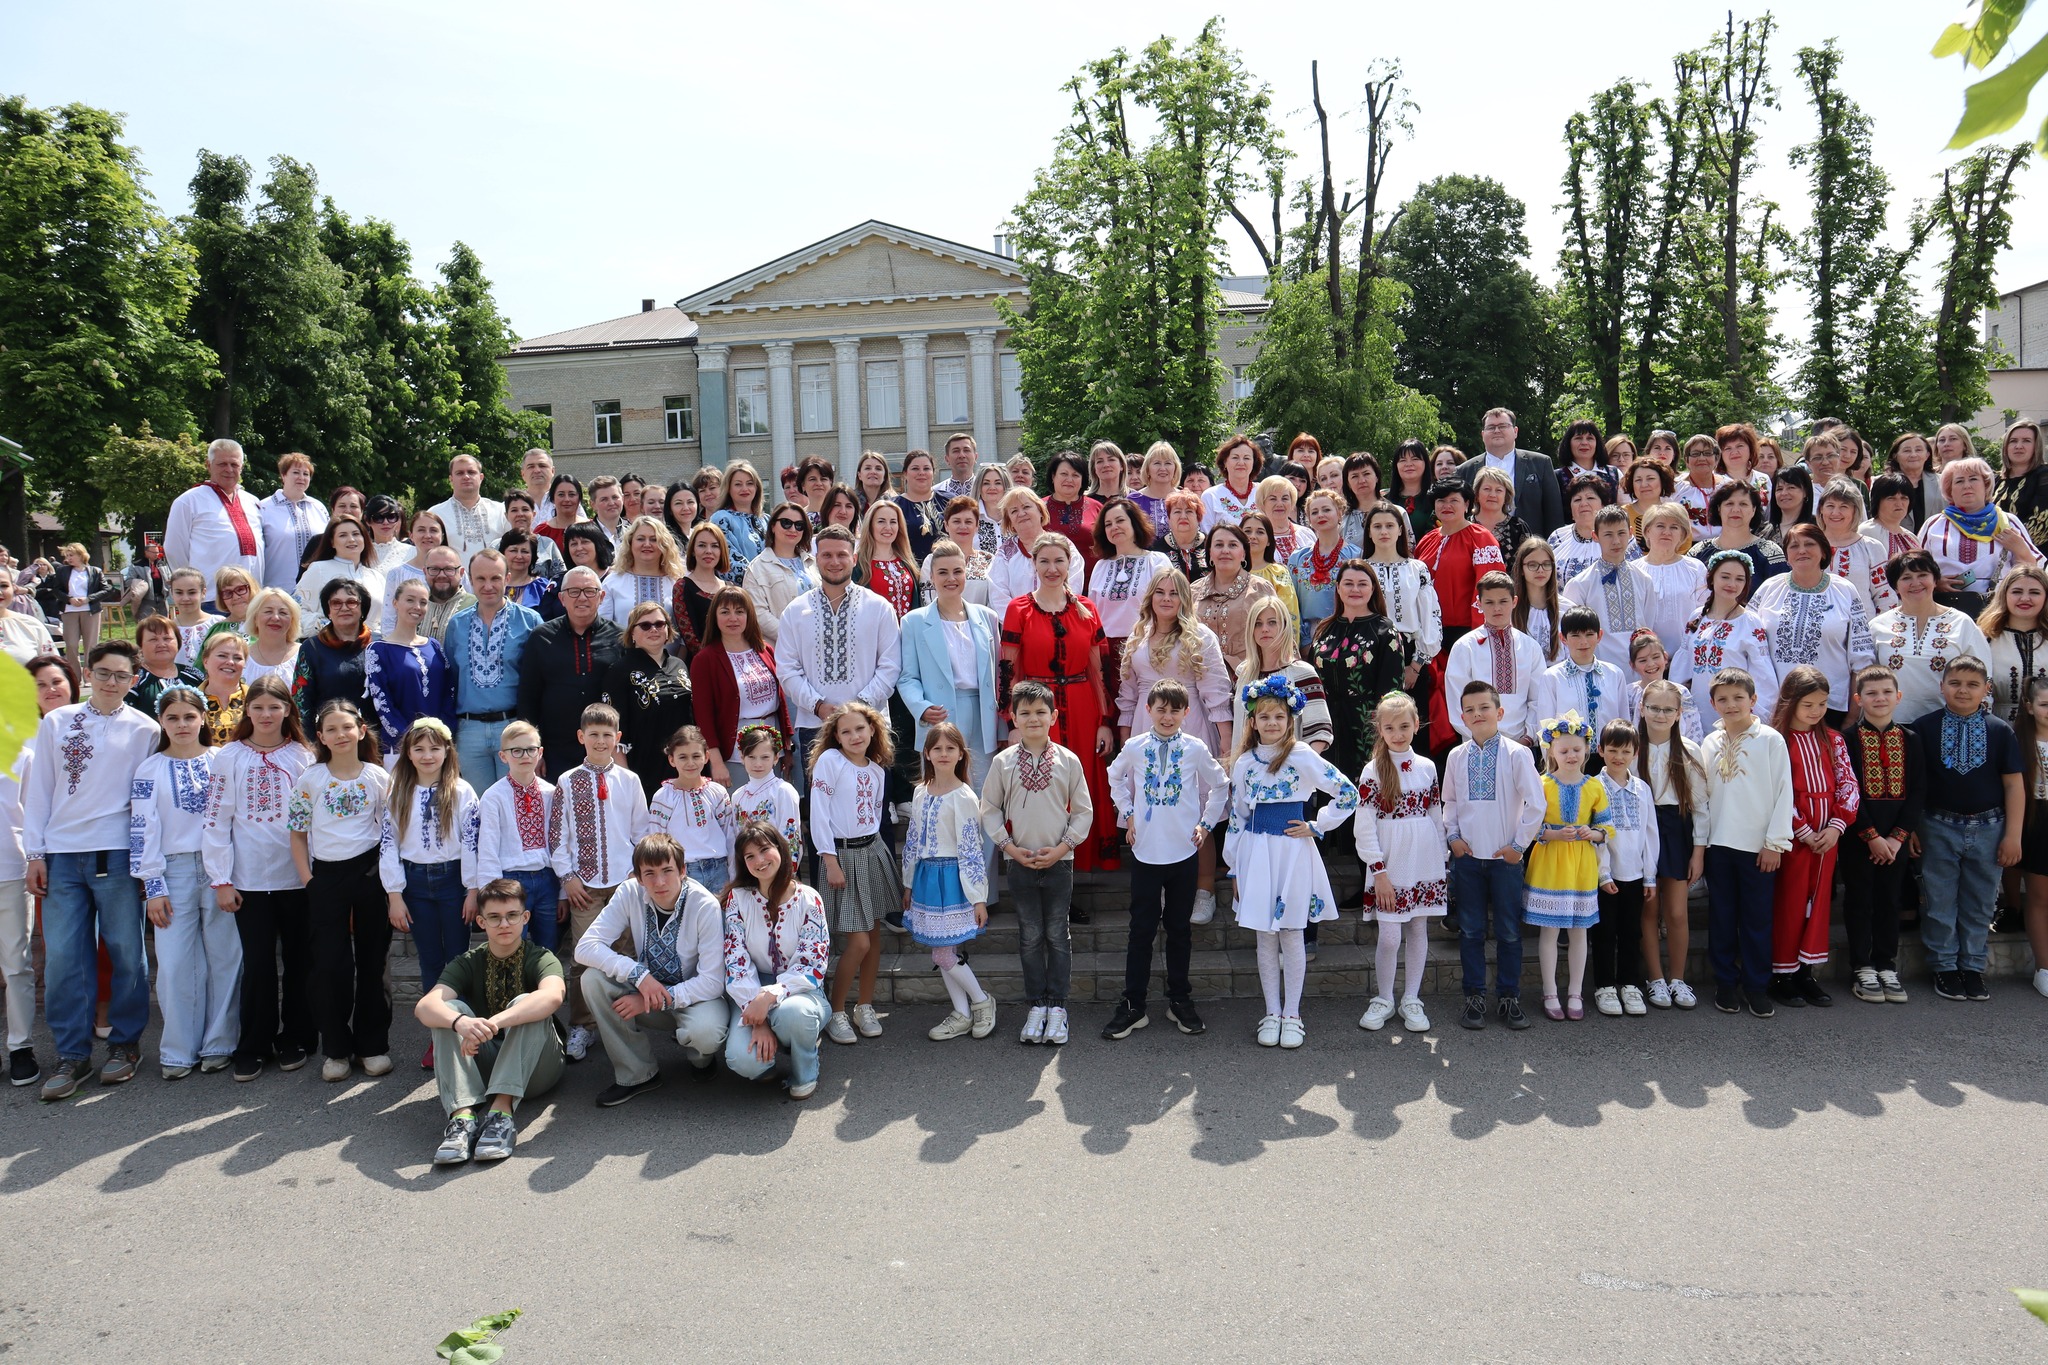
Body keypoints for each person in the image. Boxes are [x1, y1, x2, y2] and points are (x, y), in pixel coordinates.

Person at [23, 640, 159, 1100]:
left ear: (133, 680)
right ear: (88, 672)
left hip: (116, 853)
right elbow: (40, 790)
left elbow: (147, 802)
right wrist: (35, 853)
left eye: (121, 675)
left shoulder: (145, 729)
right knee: (64, 958)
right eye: (103, 673)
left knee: (126, 952)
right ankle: (72, 1054)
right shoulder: (58, 722)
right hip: (61, 855)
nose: (111, 682)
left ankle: (125, 1044)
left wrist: (144, 861)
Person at [1224, 673, 1360, 1049]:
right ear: (1253, 721)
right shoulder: (1244, 762)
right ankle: (1271, 1011)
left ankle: (1292, 1014)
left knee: (1291, 933)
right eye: (1264, 716)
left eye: (1279, 717)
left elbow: (1347, 793)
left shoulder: (1300, 755)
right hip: (1256, 854)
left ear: (1290, 721)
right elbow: (1237, 817)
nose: (1272, 723)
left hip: (1292, 852)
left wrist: (1317, 825)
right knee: (1265, 936)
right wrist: (1233, 866)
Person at [202, 675, 315, 1082]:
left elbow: (314, 821)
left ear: (287, 710)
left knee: (301, 962)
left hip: (298, 880)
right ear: (246, 710)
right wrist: (221, 879)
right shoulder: (229, 757)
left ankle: (297, 1037)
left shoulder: (303, 757)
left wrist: (315, 877)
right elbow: (216, 821)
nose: (266, 715)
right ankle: (254, 1043)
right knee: (259, 965)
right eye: (258, 707)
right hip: (249, 881)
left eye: (274, 707)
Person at [1100, 679, 1227, 1042]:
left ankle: (1179, 999)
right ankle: (1133, 1004)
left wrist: (1205, 824)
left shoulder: (1195, 748)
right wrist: (1128, 814)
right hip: (1146, 852)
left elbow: (1220, 785)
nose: (1167, 717)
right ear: (1148, 710)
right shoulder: (1135, 746)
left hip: (1183, 852)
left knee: (1179, 929)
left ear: (1186, 712)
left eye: (1175, 710)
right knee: (1140, 930)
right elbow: (1114, 776)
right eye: (1161, 709)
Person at [415, 878, 567, 1166]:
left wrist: (494, 1023)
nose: (504, 924)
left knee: (527, 1004)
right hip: (486, 1067)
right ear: (482, 922)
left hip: (538, 1067)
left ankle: (501, 1114)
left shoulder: (541, 957)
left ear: (525, 917)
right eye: (495, 917)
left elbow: (553, 996)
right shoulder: (468, 961)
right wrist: (461, 1023)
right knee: (449, 1010)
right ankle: (462, 1119)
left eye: (512, 915)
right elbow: (425, 1007)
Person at [575, 831, 730, 1105]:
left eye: (667, 871)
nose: (659, 882)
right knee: (593, 980)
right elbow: (585, 947)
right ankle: (638, 1073)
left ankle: (701, 1059)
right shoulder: (629, 892)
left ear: (682, 871)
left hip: (696, 999)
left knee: (706, 1033)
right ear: (638, 876)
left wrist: (655, 999)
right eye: (649, 873)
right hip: (646, 990)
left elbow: (712, 982)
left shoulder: (704, 905)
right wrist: (639, 975)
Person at [288, 698, 395, 1082]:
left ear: (361, 730)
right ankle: (335, 1048)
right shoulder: (310, 780)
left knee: (373, 962)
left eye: (347, 727)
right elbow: (297, 834)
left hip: (369, 874)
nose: (340, 734)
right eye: (331, 729)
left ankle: (372, 1045)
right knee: (330, 965)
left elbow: (391, 832)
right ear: (320, 737)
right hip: (326, 878)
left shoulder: (378, 777)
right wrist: (309, 881)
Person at [130, 685, 235, 1079]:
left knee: (226, 957)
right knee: (174, 964)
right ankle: (178, 1049)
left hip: (219, 870)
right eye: (172, 717)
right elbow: (142, 827)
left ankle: (220, 1043)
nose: (182, 724)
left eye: (189, 716)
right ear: (161, 721)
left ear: (203, 718)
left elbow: (232, 820)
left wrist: (228, 874)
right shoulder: (149, 769)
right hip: (172, 872)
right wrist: (153, 885)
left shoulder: (221, 760)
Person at [982, 680, 1093, 1046]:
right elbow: (989, 809)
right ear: (1013, 717)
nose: (1033, 718)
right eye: (1025, 712)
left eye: (1040, 712)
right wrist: (1009, 848)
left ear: (1053, 716)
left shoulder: (1068, 760)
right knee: (1030, 935)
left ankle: (1057, 1006)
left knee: (1057, 935)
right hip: (1019, 862)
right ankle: (1036, 1005)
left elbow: (1083, 812)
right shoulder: (1002, 762)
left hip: (1060, 862)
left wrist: (1062, 848)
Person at [1001, 533, 1118, 873]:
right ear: (1034, 565)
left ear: (1070, 564)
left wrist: (1104, 721)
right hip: (1036, 712)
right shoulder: (1018, 609)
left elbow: (1099, 669)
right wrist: (1012, 723)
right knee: (1042, 787)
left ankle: (1081, 867)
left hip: (1083, 709)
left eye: (1059, 561)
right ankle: (1043, 868)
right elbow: (1009, 670)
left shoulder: (1087, 608)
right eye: (1044, 561)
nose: (1052, 569)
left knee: (1082, 784)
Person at [1910, 655, 2024, 1002]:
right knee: (1938, 901)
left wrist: (2013, 835)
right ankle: (1944, 967)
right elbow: (1915, 784)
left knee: (1980, 902)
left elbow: (2013, 785)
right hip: (1937, 825)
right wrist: (1910, 827)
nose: (1963, 690)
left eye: (1973, 684)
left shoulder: (2000, 730)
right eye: (1955, 683)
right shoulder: (1923, 728)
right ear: (1942, 686)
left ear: (1987, 689)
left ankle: (1972, 967)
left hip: (1990, 828)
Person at [550, 702, 651, 1062]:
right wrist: (568, 878)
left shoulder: (630, 780)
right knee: (584, 956)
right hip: (585, 887)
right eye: (593, 734)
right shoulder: (567, 781)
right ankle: (583, 1024)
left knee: (625, 953)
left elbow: (642, 831)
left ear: (617, 738)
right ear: (581, 737)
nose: (600, 741)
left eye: (607, 734)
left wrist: (636, 873)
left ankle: (624, 1021)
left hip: (624, 883)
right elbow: (557, 835)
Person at [1442, 681, 1545, 1031]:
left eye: (1484, 707)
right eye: (1470, 710)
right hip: (1468, 859)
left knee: (1509, 932)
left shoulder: (1517, 754)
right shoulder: (1456, 757)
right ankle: (1474, 997)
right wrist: (1453, 837)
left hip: (1505, 861)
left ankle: (1509, 998)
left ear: (1499, 712)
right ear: (1462, 717)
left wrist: (1519, 846)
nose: (1477, 714)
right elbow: (1450, 802)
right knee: (1470, 931)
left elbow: (1536, 804)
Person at [773, 526, 902, 801]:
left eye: (842, 555)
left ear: (854, 559)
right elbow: (787, 668)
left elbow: (890, 665)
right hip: (815, 724)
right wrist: (818, 705)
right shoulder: (795, 611)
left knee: (872, 808)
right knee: (822, 807)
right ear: (816, 559)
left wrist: (859, 709)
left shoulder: (879, 607)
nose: (834, 562)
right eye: (827, 555)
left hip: (869, 725)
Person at [378, 718, 478, 1069]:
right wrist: (394, 895)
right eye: (418, 748)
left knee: (458, 958)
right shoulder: (397, 792)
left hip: (453, 881)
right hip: (415, 883)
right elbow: (388, 844)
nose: (427, 755)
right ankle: (439, 1035)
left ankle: (464, 1031)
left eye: (435, 748)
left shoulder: (462, 791)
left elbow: (472, 843)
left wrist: (472, 890)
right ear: (407, 753)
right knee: (430, 960)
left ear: (447, 751)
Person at [1761, 665, 1859, 1008]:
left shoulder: (1833, 740)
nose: (1816, 711)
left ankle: (1805, 972)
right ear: (1790, 702)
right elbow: (1774, 790)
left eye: (1822, 704)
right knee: (1789, 904)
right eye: (1808, 705)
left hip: (1826, 838)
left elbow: (1848, 784)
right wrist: (1801, 829)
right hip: (1792, 839)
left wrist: (1836, 826)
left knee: (1816, 905)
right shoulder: (1776, 740)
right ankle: (1781, 974)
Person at [1699, 668, 1794, 1018]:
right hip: (1718, 845)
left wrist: (1775, 843)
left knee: (1756, 920)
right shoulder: (1710, 742)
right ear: (1712, 704)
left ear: (1753, 700)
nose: (1731, 704)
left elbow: (1784, 792)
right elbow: (1703, 796)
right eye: (1722, 699)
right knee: (1722, 917)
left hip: (1758, 848)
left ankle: (1756, 985)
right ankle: (1726, 982)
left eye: (1739, 697)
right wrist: (1702, 843)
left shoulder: (1770, 739)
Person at [1351, 692, 1446, 1033]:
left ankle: (1411, 998)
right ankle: (1384, 997)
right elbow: (1364, 825)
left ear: (1416, 725)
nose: (1398, 734)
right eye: (1389, 728)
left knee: (1418, 929)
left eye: (1404, 726)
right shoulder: (1373, 770)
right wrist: (1378, 871)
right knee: (1390, 936)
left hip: (1423, 859)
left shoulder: (1427, 767)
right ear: (1379, 729)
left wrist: (1443, 858)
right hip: (1389, 863)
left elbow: (1435, 814)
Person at [899, 724, 997, 1042]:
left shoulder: (964, 796)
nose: (943, 754)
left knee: (943, 954)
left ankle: (981, 1001)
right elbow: (913, 841)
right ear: (927, 753)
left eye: (950, 748)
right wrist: (909, 883)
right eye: (937, 748)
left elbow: (971, 849)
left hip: (953, 878)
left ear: (960, 754)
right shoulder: (920, 792)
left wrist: (978, 897)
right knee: (943, 951)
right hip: (927, 878)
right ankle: (962, 1014)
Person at [721, 822, 830, 1099]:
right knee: (742, 1059)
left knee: (794, 1014)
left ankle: (805, 1068)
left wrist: (770, 995)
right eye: (749, 856)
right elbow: (735, 960)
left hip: (801, 990)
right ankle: (767, 1061)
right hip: (749, 989)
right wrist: (758, 1018)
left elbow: (812, 963)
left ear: (780, 849)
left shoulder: (809, 899)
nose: (759, 861)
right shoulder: (737, 899)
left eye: (764, 850)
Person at [809, 701, 895, 1047]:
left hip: (871, 851)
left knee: (874, 936)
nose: (855, 735)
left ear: (872, 729)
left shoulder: (877, 770)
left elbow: (873, 815)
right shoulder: (830, 761)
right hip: (840, 855)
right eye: (846, 731)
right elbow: (818, 813)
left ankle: (865, 1006)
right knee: (858, 942)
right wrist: (829, 860)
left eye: (860, 728)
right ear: (837, 737)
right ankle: (836, 1011)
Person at [1521, 710, 1613, 1022]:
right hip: (1550, 862)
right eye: (1564, 751)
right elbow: (1529, 825)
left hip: (1581, 865)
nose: (1571, 755)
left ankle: (1575, 992)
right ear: (1552, 753)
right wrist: (1553, 834)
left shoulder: (1594, 786)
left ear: (1587, 750)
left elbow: (1606, 827)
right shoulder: (1542, 784)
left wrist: (1593, 833)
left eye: (1576, 749)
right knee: (1549, 931)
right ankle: (1549, 991)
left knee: (1579, 931)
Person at [898, 539, 1001, 814]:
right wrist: (921, 707)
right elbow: (907, 677)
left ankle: (983, 846)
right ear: (932, 577)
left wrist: (1002, 727)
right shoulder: (913, 621)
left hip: (982, 716)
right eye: (942, 572)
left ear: (966, 573)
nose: (951, 579)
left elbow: (998, 674)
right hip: (939, 715)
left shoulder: (988, 617)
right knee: (941, 798)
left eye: (957, 571)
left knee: (984, 799)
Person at [1840, 665, 1923, 1005]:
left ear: (1898, 696)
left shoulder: (1911, 739)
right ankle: (1861, 966)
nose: (1880, 698)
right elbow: (1847, 790)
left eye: (1887, 692)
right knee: (1860, 899)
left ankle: (1886, 964)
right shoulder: (1846, 740)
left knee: (1890, 900)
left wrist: (1897, 837)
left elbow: (1918, 791)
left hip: (1895, 840)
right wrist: (1872, 836)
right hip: (1859, 837)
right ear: (1858, 699)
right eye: (1871, 693)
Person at [1750, 524, 1876, 723]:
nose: (1801, 550)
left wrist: (1853, 716)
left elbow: (1861, 656)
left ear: (1824, 551)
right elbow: (1746, 639)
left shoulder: (1844, 590)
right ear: (1786, 555)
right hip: (1773, 707)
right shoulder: (1770, 588)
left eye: (1809, 544)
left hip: (1828, 707)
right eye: (1794, 546)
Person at [1634, 679, 1707, 1010]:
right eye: (1654, 708)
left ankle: (1678, 978)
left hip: (1676, 830)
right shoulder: (1631, 747)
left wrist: (1698, 852)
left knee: (1676, 911)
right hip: (1641, 829)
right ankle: (1655, 979)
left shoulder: (1690, 750)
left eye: (1668, 709)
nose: (1660, 715)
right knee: (1648, 909)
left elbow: (1701, 807)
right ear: (1642, 709)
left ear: (1679, 713)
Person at [441, 548, 540, 788]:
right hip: (469, 731)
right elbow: (452, 678)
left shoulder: (530, 621)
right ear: (470, 580)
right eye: (481, 579)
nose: (488, 586)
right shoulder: (456, 625)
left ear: (507, 579)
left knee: (516, 802)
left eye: (495, 578)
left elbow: (539, 682)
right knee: (478, 804)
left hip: (514, 727)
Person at [518, 567, 624, 783]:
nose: (582, 598)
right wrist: (533, 749)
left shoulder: (619, 637)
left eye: (590, 591)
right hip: (555, 751)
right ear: (561, 598)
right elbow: (528, 697)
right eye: (574, 591)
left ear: (601, 596)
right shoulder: (541, 637)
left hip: (605, 748)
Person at [1866, 549, 1991, 723]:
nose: (1915, 583)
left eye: (1922, 575)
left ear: (1935, 580)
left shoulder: (1962, 623)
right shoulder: (1878, 626)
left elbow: (1984, 675)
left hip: (1948, 726)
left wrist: (1977, 724)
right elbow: (1866, 679)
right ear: (1895, 586)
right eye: (1906, 578)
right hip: (1892, 726)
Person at [472, 719, 561, 951]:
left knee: (547, 947)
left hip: (546, 879)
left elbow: (560, 843)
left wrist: (562, 891)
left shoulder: (551, 793)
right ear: (503, 756)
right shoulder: (493, 797)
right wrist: (490, 894)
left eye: (531, 749)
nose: (525, 756)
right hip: (509, 880)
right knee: (509, 947)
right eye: (516, 751)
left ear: (540, 753)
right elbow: (488, 848)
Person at [690, 587, 792, 788]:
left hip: (773, 749)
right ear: (714, 617)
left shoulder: (765, 650)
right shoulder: (705, 659)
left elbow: (781, 701)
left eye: (739, 611)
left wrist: (787, 748)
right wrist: (716, 762)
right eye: (725, 612)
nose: (733, 618)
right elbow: (703, 716)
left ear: (749, 615)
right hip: (736, 754)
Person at [1919, 455, 2041, 617]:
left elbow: (2034, 571)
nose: (1967, 485)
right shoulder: (1934, 524)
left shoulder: (2008, 522)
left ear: (1986, 485)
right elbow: (1915, 567)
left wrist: (2021, 550)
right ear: (1949, 490)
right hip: (1944, 612)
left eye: (1973, 479)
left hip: (1997, 612)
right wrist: (1935, 582)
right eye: (1959, 481)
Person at [1591, 719, 1656, 1016]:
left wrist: (1649, 876)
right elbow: (1595, 835)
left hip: (1635, 874)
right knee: (1604, 932)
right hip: (1605, 876)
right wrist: (1603, 873)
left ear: (1635, 753)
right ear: (1601, 750)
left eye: (1626, 751)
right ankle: (1604, 986)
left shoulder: (1642, 789)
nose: (1619, 757)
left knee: (1632, 932)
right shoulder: (1594, 787)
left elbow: (1650, 834)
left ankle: (1630, 984)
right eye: (1613, 750)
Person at [600, 602, 694, 801]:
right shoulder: (619, 671)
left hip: (685, 767)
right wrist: (627, 779)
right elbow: (613, 731)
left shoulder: (679, 665)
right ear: (632, 633)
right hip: (644, 770)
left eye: (660, 624)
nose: (654, 629)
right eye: (645, 625)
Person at [1678, 551, 1780, 721]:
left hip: (1735, 714)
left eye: (1740, 579)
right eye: (1725, 577)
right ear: (1712, 578)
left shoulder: (1750, 621)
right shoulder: (1697, 617)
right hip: (1697, 713)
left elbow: (1763, 675)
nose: (1732, 584)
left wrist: (1757, 718)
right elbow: (1682, 666)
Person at [1090, 497, 1170, 714]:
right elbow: (1092, 615)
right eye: (1108, 524)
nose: (1114, 527)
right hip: (1106, 653)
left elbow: (1168, 605)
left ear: (1134, 523)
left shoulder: (1157, 561)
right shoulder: (1100, 566)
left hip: (1147, 648)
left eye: (1120, 520)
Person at [1444, 573, 1545, 743]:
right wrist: (1481, 739)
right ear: (1479, 603)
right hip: (1476, 743)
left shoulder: (1530, 647)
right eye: (1489, 602)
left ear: (1514, 601)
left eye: (1503, 601)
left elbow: (1538, 699)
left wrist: (1529, 737)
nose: (1497, 608)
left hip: (1522, 743)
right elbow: (1457, 701)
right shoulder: (1465, 646)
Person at [1560, 506, 1659, 673]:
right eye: (1608, 534)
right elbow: (1573, 634)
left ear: (1631, 533)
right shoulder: (1580, 584)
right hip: (1599, 672)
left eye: (1621, 533)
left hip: (1639, 672)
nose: (1616, 541)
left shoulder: (1644, 580)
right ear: (1595, 536)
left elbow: (1648, 625)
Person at [164, 438, 264, 603]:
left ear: (242, 467)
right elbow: (175, 550)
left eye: (234, 464)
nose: (229, 469)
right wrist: (192, 588)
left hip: (253, 599)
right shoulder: (189, 501)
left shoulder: (253, 502)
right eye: (222, 464)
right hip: (212, 599)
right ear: (208, 465)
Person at [363, 578, 455, 755]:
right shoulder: (378, 650)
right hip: (400, 747)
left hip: (438, 745)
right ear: (395, 603)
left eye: (423, 602)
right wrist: (409, 740)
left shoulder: (434, 646)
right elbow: (382, 702)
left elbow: (448, 692)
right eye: (410, 600)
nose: (417, 607)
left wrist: (443, 733)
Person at [645, 727, 735, 891]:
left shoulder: (717, 792)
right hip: (683, 872)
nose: (690, 763)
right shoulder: (663, 797)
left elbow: (730, 835)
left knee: (720, 909)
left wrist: (734, 875)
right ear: (672, 760)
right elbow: (657, 841)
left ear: (706, 757)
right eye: (683, 757)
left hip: (719, 869)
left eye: (696, 756)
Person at [1457, 407, 1564, 537]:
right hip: (1477, 543)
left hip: (1530, 545)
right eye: (1491, 427)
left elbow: (1554, 512)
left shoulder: (1541, 463)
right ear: (1483, 434)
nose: (1497, 431)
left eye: (1503, 426)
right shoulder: (1464, 471)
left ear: (1515, 431)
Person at [1534, 609, 1627, 747]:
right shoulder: (1552, 677)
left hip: (1610, 755)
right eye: (1575, 635)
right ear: (1563, 638)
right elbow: (1545, 728)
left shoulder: (1615, 674)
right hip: (1569, 756)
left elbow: (1624, 723)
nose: (1583, 642)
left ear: (1599, 635)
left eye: (1589, 634)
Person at [1192, 524, 1277, 675]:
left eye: (1232, 545)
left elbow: (1279, 635)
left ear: (1243, 554)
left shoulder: (1260, 589)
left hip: (1251, 677)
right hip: (1200, 676)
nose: (1225, 550)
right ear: (1210, 553)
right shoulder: (1193, 591)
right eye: (1219, 545)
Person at [988, 487, 1083, 607]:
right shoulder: (1004, 554)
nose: (1021, 514)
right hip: (1018, 618)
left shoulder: (1063, 546)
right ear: (1010, 521)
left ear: (1040, 511)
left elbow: (1074, 585)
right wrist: (1021, 617)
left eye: (1026, 507)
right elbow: (998, 597)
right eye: (1014, 511)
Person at [1635, 501, 1709, 656]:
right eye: (1660, 526)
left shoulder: (1696, 568)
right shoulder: (1634, 570)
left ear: (1682, 534)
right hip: (1645, 659)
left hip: (1688, 656)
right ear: (1647, 531)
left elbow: (1705, 614)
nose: (1666, 532)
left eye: (1674, 527)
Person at [1288, 490, 1359, 649]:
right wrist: (1304, 640)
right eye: (1314, 512)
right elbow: (1293, 603)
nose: (1320, 515)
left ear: (1339, 513)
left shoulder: (1355, 556)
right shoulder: (1298, 558)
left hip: (1348, 635)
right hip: (1310, 637)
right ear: (1309, 519)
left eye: (1326, 510)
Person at [294, 516, 385, 635]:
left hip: (371, 642)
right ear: (332, 542)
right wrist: (328, 627)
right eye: (343, 535)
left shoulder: (376, 577)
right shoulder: (318, 569)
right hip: (329, 642)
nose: (351, 539)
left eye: (356, 534)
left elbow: (387, 617)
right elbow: (296, 609)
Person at [742, 502, 816, 646]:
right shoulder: (757, 568)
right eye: (786, 523)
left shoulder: (813, 563)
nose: (793, 529)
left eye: (799, 525)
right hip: (780, 648)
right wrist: (793, 635)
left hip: (816, 646)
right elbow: (758, 614)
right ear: (773, 526)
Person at [1981, 564, 2048, 721]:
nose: (2025, 598)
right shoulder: (1983, 637)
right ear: (2004, 595)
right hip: (1997, 728)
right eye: (2017, 592)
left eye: (2035, 592)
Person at [37, 542, 119, 664]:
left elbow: (107, 589)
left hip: (90, 611)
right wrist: (69, 599)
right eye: (67, 555)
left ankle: (88, 672)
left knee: (90, 645)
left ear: (81, 555)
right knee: (71, 644)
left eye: (71, 555)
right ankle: (75, 673)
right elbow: (56, 590)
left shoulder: (95, 571)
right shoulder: (62, 571)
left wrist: (88, 599)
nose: (68, 558)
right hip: (69, 610)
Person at [597, 516, 683, 630]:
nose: (647, 544)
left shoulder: (676, 583)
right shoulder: (613, 581)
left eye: (654, 539)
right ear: (630, 543)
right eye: (640, 539)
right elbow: (603, 628)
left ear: (664, 544)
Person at [258, 452, 328, 590]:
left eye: (306, 474)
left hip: (315, 590)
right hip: (277, 590)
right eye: (296, 472)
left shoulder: (318, 508)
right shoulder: (264, 508)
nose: (301, 477)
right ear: (283, 475)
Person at [1696, 481, 1786, 587]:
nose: (1736, 510)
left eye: (1743, 504)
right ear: (1719, 509)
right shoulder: (1698, 552)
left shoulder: (1770, 553)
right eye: (1729, 504)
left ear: (1753, 509)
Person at [428, 454, 511, 564]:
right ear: (451, 479)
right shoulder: (435, 514)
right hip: (453, 575)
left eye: (471, 472)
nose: (466, 477)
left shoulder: (501, 511)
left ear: (481, 477)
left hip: (495, 574)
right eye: (460, 473)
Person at [730, 726, 800, 846]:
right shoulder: (738, 795)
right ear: (742, 757)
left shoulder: (783, 791)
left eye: (765, 757)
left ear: (776, 758)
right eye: (751, 757)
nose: (758, 764)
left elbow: (791, 839)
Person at [1042, 451, 1102, 576]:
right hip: (1050, 580)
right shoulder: (1038, 508)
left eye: (1075, 475)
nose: (1069, 480)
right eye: (1064, 474)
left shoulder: (1097, 508)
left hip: (1092, 581)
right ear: (1053, 476)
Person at [673, 522, 728, 651]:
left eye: (715, 546)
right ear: (692, 550)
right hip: (702, 660)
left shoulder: (729, 588)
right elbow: (690, 639)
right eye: (702, 545)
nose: (708, 551)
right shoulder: (682, 587)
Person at [711, 460, 769, 582]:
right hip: (740, 589)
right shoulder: (721, 519)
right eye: (738, 484)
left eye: (750, 483)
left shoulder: (767, 520)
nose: (745, 489)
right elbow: (728, 560)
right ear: (728, 488)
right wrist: (760, 581)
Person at [891, 450, 949, 564]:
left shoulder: (949, 500)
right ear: (905, 474)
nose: (921, 473)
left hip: (947, 568)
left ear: (933, 473)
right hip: (910, 569)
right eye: (915, 468)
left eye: (926, 468)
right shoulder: (894, 506)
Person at [1510, 537, 1560, 664]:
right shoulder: (1509, 609)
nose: (1540, 570)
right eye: (1532, 565)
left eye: (1546, 564)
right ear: (1521, 569)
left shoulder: (1566, 608)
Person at [1201, 435, 1263, 532]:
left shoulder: (1263, 491)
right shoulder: (1211, 496)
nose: (1241, 463)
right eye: (1235, 457)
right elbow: (1207, 534)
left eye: (1246, 458)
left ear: (1253, 463)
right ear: (1225, 462)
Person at [1885, 431, 1941, 532]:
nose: (1913, 455)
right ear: (1895, 456)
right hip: (1894, 539)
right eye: (1907, 451)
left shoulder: (1942, 482)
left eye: (1918, 450)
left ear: (1927, 455)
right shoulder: (1884, 483)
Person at [168, 567, 223, 666]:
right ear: (172, 593)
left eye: (192, 592)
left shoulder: (218, 624)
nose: (185, 598)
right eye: (179, 592)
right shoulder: (166, 629)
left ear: (203, 593)